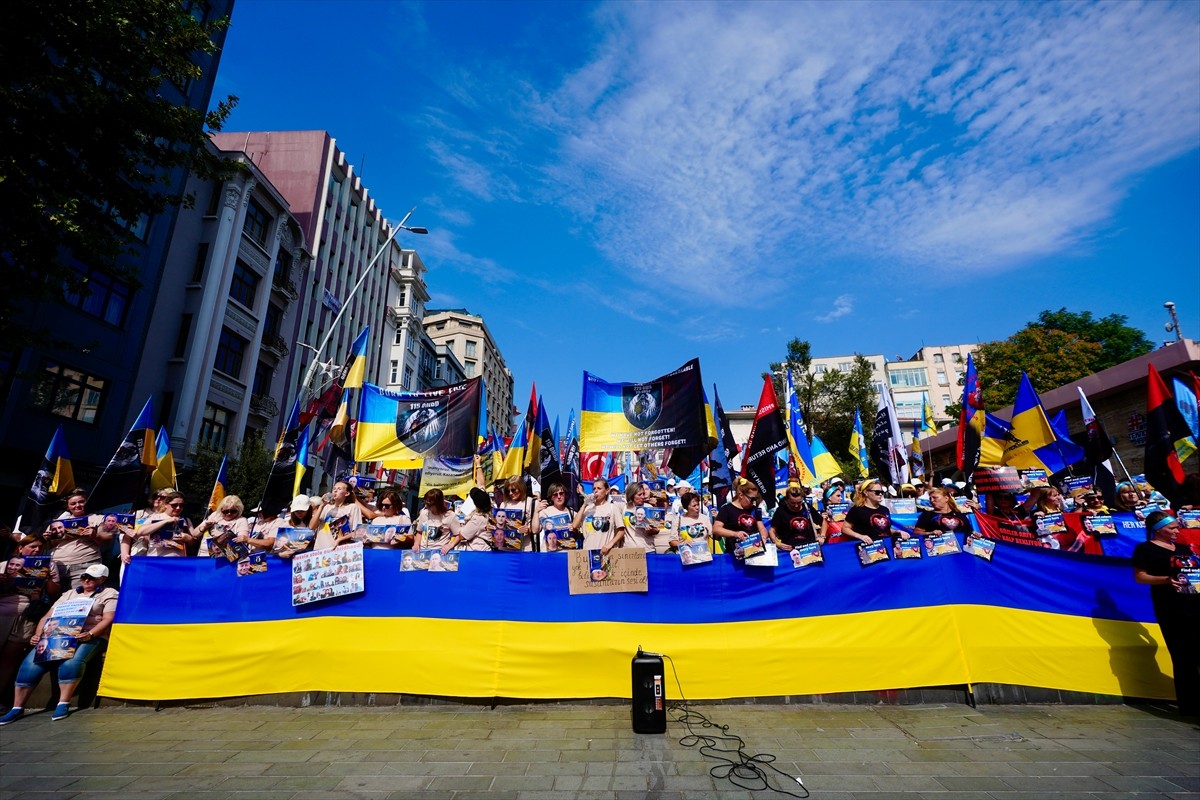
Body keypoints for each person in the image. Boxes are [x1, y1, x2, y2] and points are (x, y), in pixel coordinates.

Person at [0, 564, 118, 725]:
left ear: (102, 579)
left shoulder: (109, 593)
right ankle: (17, 707)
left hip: (89, 636)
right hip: (56, 635)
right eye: (84, 576)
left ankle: (63, 702)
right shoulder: (69, 594)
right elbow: (47, 617)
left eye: (92, 577)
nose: (87, 580)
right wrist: (38, 634)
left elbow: (108, 618)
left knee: (72, 662)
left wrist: (90, 634)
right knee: (30, 664)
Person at [1131, 511, 1199, 717]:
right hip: (1170, 605)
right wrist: (1166, 580)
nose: (1177, 531)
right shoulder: (1145, 549)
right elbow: (1140, 577)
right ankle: (1189, 706)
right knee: (1182, 655)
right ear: (1159, 529)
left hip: (1194, 602)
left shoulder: (1183, 549)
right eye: (1172, 528)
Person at [0, 535, 67, 705]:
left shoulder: (48, 565)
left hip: (27, 616)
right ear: (20, 548)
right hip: (3, 612)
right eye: (32, 546)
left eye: (40, 547)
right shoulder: (4, 565)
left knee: (10, 657)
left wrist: (50, 577)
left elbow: (53, 592)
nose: (37, 550)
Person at [44, 490, 110, 588]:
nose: (77, 505)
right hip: (58, 566)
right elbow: (49, 545)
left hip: (84, 565)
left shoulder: (99, 518)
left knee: (78, 599)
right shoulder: (58, 522)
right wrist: (47, 538)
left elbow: (108, 539)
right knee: (56, 600)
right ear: (68, 506)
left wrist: (94, 535)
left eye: (81, 502)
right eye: (73, 503)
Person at [712, 477, 769, 555]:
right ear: (741, 495)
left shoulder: (754, 509)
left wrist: (763, 537)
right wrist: (735, 534)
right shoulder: (726, 509)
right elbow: (716, 529)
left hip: (755, 551)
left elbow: (762, 528)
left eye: (756, 499)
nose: (754, 502)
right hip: (734, 554)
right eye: (751, 499)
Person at [571, 478, 625, 555]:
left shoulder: (613, 507)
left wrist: (610, 544)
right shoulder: (587, 508)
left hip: (606, 552)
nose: (595, 491)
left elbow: (621, 531)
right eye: (594, 489)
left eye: (599, 488)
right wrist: (584, 505)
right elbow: (575, 525)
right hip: (588, 552)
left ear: (606, 491)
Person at [843, 479, 905, 544]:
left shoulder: (885, 509)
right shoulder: (857, 510)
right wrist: (860, 536)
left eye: (882, 492)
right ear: (866, 492)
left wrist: (897, 532)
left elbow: (885, 530)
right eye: (877, 492)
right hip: (870, 548)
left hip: (887, 546)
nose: (880, 494)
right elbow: (845, 528)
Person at [312, 481, 366, 549]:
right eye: (334, 488)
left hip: (340, 549)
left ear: (347, 493)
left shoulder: (352, 507)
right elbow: (312, 526)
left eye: (339, 489)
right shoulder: (327, 507)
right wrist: (321, 506)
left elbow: (357, 532)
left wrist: (340, 539)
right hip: (321, 549)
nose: (335, 490)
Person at [770, 483, 821, 551]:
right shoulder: (781, 511)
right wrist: (776, 543)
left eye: (799, 502)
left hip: (810, 548)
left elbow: (823, 522)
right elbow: (772, 530)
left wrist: (822, 536)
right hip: (790, 550)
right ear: (787, 500)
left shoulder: (807, 507)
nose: (796, 505)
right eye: (793, 503)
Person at [413, 489, 462, 556]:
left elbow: (459, 535)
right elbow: (419, 532)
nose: (426, 506)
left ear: (438, 504)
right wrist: (416, 544)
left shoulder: (450, 515)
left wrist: (450, 546)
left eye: (429, 504)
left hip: (441, 553)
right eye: (425, 503)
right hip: (423, 552)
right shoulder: (424, 513)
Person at [623, 483, 668, 553]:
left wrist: (650, 530)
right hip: (629, 550)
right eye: (639, 495)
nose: (643, 497)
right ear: (631, 495)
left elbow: (657, 529)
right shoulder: (624, 508)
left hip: (647, 550)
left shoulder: (649, 507)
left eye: (643, 494)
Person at [495, 477, 535, 551]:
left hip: (524, 548)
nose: (510, 493)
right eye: (508, 491)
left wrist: (528, 529)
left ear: (521, 488)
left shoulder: (530, 502)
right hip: (505, 549)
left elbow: (536, 527)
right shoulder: (504, 504)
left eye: (513, 490)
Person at [533, 483, 575, 551]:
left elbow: (579, 531)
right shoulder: (545, 511)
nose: (559, 496)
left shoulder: (572, 512)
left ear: (565, 495)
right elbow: (535, 530)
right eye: (555, 494)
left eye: (561, 493)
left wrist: (574, 529)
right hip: (549, 554)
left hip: (567, 553)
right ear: (551, 497)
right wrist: (536, 511)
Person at [459, 488, 495, 552]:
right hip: (487, 551)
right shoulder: (492, 512)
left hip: (478, 553)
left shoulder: (478, 519)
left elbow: (462, 536)